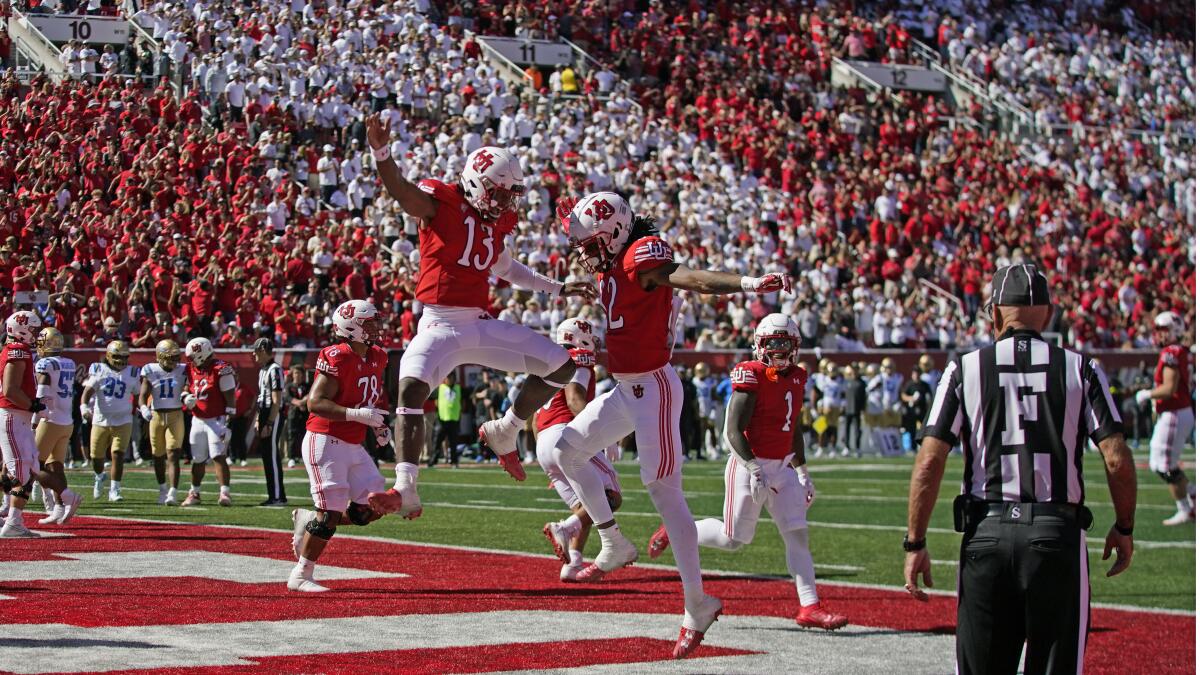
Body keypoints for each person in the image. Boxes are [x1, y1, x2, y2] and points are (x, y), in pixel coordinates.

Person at [552, 192, 791, 658]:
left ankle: (696, 604)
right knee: (566, 448)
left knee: (664, 492)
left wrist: (746, 283)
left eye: (589, 240)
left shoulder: (644, 256)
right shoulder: (611, 265)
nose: (583, 250)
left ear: (615, 234)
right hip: (626, 390)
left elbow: (693, 279)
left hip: (655, 390)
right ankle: (612, 540)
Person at [903, 264, 1137, 675]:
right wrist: (1125, 526)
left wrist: (915, 542)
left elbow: (929, 460)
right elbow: (1116, 457)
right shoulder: (1081, 367)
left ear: (994, 313)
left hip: (986, 532)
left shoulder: (965, 367)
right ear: (1047, 312)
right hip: (1055, 534)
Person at [364, 113, 596, 520]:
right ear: (475, 182)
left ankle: (506, 429)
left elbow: (508, 268)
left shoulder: (494, 225)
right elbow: (402, 191)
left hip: (477, 322)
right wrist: (382, 153)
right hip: (437, 322)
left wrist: (558, 288)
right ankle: (406, 487)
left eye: (511, 194)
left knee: (561, 367)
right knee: (411, 391)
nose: (507, 202)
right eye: (500, 193)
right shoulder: (444, 202)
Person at [648, 314, 848, 630]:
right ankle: (678, 530)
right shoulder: (750, 374)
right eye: (773, 343)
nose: (780, 350)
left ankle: (810, 607)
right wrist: (753, 467)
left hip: (783, 467)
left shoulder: (797, 376)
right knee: (734, 539)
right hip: (748, 464)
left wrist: (803, 470)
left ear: (796, 345)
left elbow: (792, 427)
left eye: (785, 343)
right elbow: (733, 430)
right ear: (759, 345)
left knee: (797, 535)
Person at [289, 300, 395, 592]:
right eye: (369, 323)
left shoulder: (378, 356)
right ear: (351, 327)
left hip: (353, 442)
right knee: (331, 514)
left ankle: (310, 520)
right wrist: (357, 415)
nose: (376, 328)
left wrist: (378, 423)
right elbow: (316, 402)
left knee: (370, 508)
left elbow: (372, 397)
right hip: (325, 439)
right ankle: (301, 575)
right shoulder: (337, 356)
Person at [537, 317, 622, 582]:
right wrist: (605, 436)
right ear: (579, 338)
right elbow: (574, 400)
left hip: (543, 442)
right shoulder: (579, 360)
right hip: (566, 435)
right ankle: (563, 528)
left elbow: (533, 417)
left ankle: (573, 562)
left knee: (586, 501)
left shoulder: (547, 364)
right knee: (610, 495)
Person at [2, 315, 81, 535]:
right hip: (54, 418)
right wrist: (34, 407)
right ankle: (56, 505)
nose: (37, 337)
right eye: (34, 331)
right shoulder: (66, 361)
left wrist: (34, 411)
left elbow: (36, 390)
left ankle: (16, 516)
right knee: (39, 467)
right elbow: (13, 390)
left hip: (39, 417)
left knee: (29, 468)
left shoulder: (36, 358)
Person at [1134, 311, 1195, 526]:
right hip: (1178, 412)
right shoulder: (1179, 350)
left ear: (1174, 330)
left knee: (1164, 465)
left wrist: (1147, 394)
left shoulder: (1171, 351)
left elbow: (1169, 388)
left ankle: (1186, 508)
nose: (1158, 334)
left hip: (1174, 412)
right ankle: (1192, 496)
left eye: (1163, 330)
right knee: (1157, 462)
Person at [32, 327, 82, 524]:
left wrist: (35, 419)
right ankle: (60, 507)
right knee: (56, 466)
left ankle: (61, 499)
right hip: (66, 421)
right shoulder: (69, 362)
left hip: (49, 420)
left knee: (32, 466)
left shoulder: (44, 363)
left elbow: (42, 391)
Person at [180, 337, 236, 507]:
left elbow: (230, 398)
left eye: (192, 356)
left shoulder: (221, 369)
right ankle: (194, 493)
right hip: (197, 419)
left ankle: (225, 493)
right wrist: (185, 397)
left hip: (216, 419)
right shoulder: (191, 369)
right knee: (198, 458)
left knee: (218, 456)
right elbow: (185, 387)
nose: (190, 361)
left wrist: (227, 423)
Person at [81, 340, 139, 502]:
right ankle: (99, 476)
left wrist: (137, 408)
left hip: (123, 420)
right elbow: (87, 391)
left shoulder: (132, 373)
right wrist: (84, 408)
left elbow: (139, 393)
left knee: (118, 454)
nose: (121, 359)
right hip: (100, 420)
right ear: (108, 356)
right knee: (96, 457)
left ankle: (115, 489)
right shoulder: (100, 370)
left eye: (124, 356)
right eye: (117, 356)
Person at [139, 339, 188, 505]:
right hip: (156, 416)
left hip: (176, 414)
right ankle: (162, 489)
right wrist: (144, 408)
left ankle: (173, 492)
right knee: (158, 456)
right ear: (160, 357)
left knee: (173, 454)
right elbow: (143, 395)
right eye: (170, 357)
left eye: (176, 356)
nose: (174, 361)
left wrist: (187, 396)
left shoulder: (183, 370)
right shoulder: (150, 370)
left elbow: (188, 387)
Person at [253, 338, 288, 506]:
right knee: (267, 456)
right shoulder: (263, 370)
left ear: (264, 350)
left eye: (256, 351)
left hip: (273, 414)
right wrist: (259, 420)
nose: (254, 354)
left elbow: (276, 400)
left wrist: (269, 422)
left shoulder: (275, 370)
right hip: (265, 413)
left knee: (272, 456)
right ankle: (273, 495)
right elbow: (262, 398)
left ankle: (277, 496)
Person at [429, 371, 462, 467]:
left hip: (454, 420)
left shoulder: (458, 388)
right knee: (437, 442)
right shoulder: (440, 388)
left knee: (453, 443)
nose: (449, 380)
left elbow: (465, 400)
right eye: (447, 377)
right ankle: (433, 461)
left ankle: (454, 462)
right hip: (441, 420)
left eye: (451, 378)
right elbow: (431, 397)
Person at [900, 366, 932, 450]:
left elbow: (929, 397)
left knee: (924, 428)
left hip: (922, 409)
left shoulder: (924, 385)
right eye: (914, 373)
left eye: (918, 373)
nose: (916, 375)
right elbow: (903, 395)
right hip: (912, 410)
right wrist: (911, 399)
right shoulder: (909, 384)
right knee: (912, 429)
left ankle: (924, 445)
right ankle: (913, 447)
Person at [285, 364, 309, 469]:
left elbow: (311, 396)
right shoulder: (289, 386)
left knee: (305, 436)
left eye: (299, 373)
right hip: (293, 415)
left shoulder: (308, 386)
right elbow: (288, 398)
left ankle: (304, 457)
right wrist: (300, 403)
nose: (297, 375)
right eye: (295, 373)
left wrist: (303, 403)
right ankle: (291, 458)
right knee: (292, 436)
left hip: (305, 415)